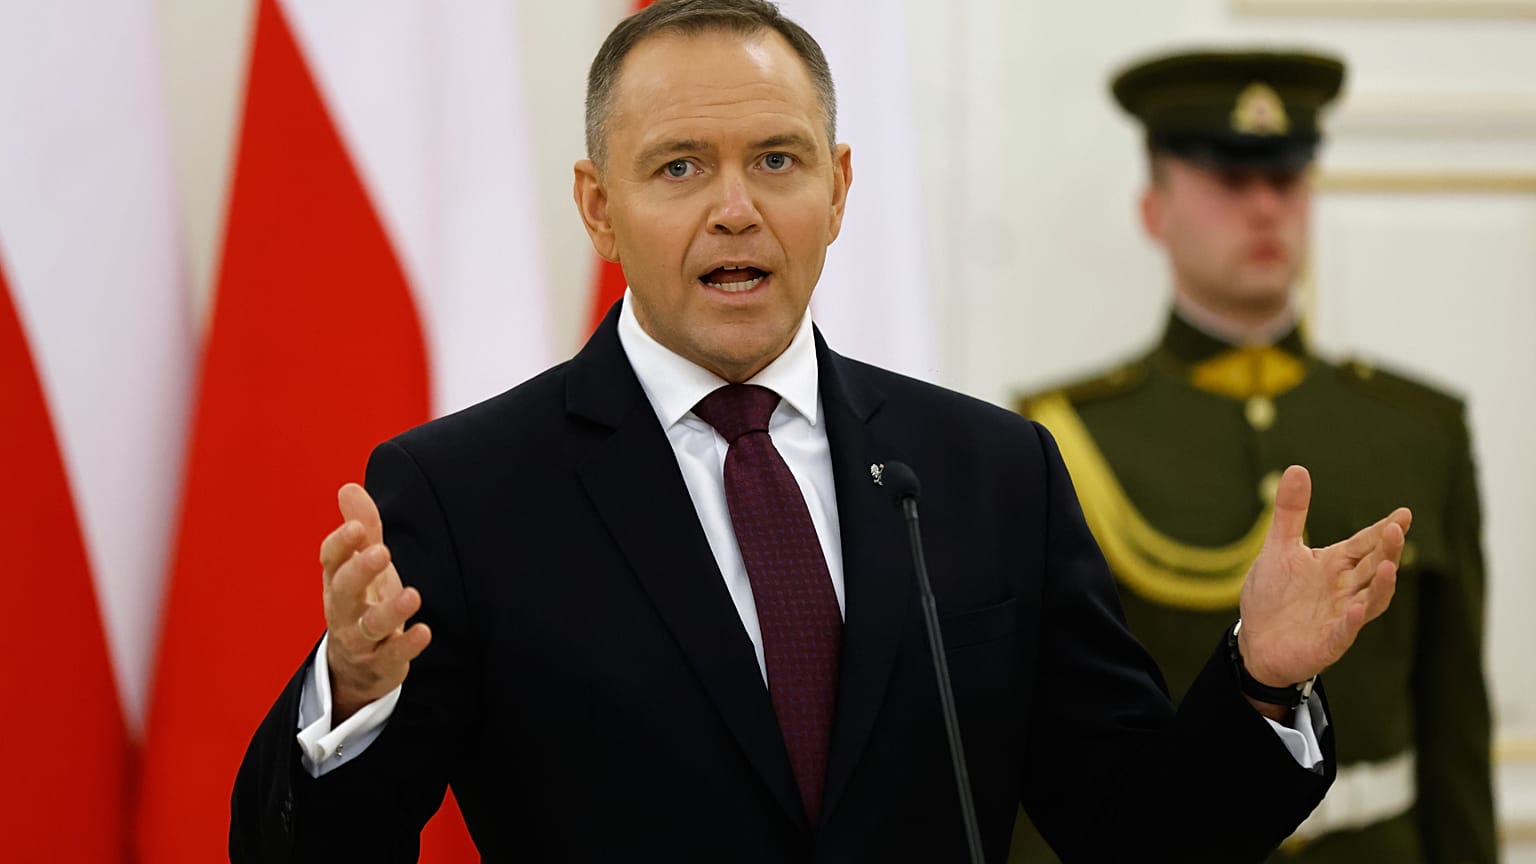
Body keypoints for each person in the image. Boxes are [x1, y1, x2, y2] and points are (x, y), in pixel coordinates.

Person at [231, 5, 1412, 861]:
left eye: (777, 160)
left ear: (838, 191)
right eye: (680, 166)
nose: (735, 205)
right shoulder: (465, 492)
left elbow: (1136, 834)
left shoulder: (988, 472)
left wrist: (1258, 681)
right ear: (600, 206)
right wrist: (355, 692)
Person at [1013, 50, 1494, 862]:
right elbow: (1044, 757)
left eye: (1288, 178)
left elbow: (1454, 729)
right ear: (1154, 210)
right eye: (1230, 182)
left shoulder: (1419, 428)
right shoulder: (1062, 439)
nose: (1267, 207)